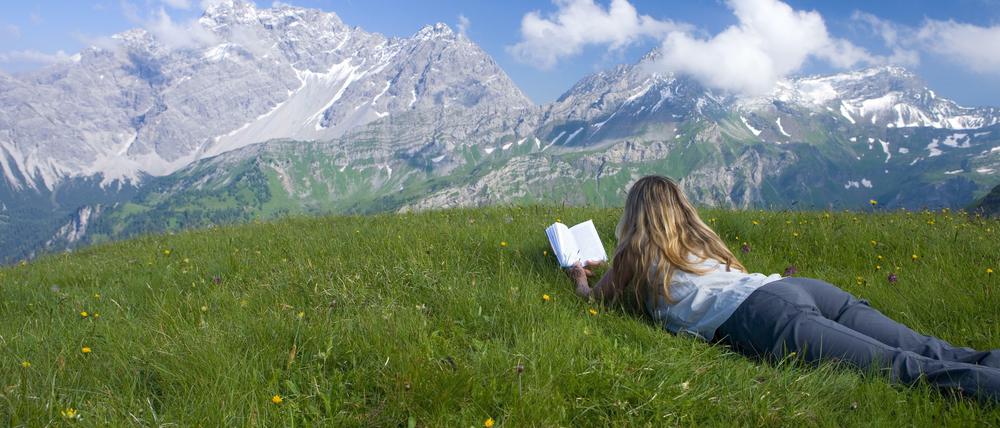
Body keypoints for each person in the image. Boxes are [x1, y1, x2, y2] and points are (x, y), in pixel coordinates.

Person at [565, 175, 999, 403]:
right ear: (680, 209)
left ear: (636, 214)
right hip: (794, 288)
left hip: (765, 316)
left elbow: (593, 301)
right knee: (927, 348)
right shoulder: (699, 241)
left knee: (898, 368)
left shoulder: (633, 253)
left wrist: (580, 276)